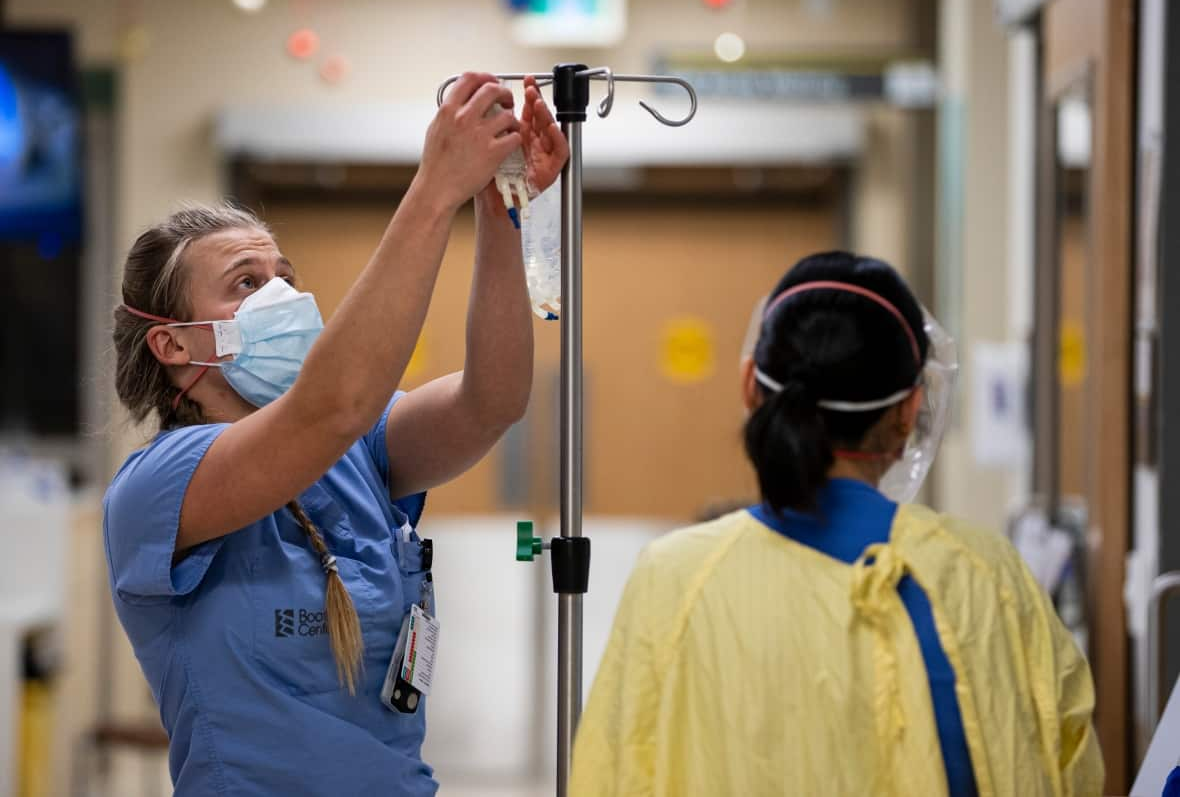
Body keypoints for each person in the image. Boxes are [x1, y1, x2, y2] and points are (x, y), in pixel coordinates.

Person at [103, 73, 568, 796]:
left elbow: (492, 401)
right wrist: (433, 191)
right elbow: (334, 403)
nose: (282, 296)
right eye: (246, 282)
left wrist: (501, 210)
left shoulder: (358, 451)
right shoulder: (159, 487)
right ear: (174, 345)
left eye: (284, 273)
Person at [570, 252, 1103, 797]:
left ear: (750, 386)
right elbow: (1072, 770)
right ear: (910, 409)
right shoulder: (988, 578)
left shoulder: (678, 580)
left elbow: (611, 775)